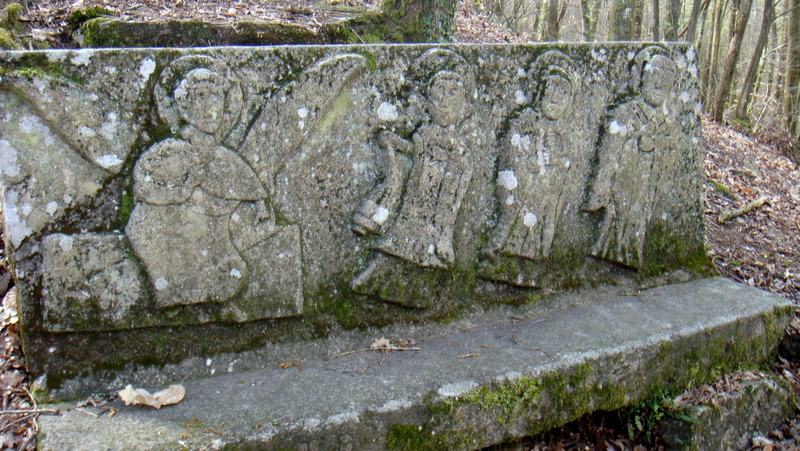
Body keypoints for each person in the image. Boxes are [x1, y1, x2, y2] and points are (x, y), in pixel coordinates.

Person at [351, 49, 475, 307]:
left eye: (453, 94)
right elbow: (413, 151)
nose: (445, 101)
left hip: (435, 215)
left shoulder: (461, 152)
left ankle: (416, 298)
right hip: (413, 205)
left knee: (423, 260)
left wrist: (442, 232)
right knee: (395, 247)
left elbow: (455, 195)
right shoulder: (424, 133)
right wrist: (393, 142)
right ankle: (373, 285)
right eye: (439, 92)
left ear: (465, 106)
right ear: (426, 101)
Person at [585, 47, 679, 269]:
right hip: (621, 188)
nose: (658, 85)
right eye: (655, 77)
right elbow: (609, 154)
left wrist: (657, 149)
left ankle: (630, 256)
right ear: (642, 77)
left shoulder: (666, 125)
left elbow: (669, 161)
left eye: (665, 81)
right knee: (614, 227)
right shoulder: (625, 114)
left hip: (644, 192)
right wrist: (600, 192)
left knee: (636, 225)